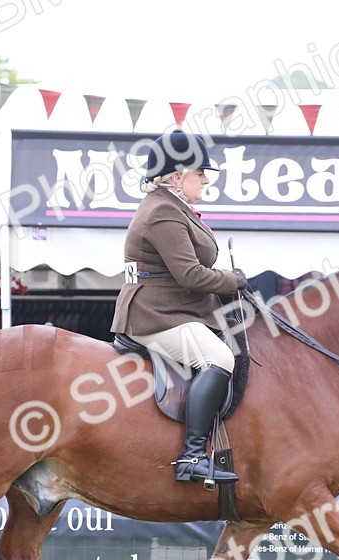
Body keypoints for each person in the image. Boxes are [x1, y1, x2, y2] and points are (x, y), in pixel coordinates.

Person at [110, 129, 248, 485]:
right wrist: (232, 281)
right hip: (156, 316)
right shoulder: (162, 212)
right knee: (220, 359)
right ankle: (191, 457)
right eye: (199, 173)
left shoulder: (174, 207)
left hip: (177, 311)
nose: (204, 180)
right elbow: (190, 275)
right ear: (176, 176)